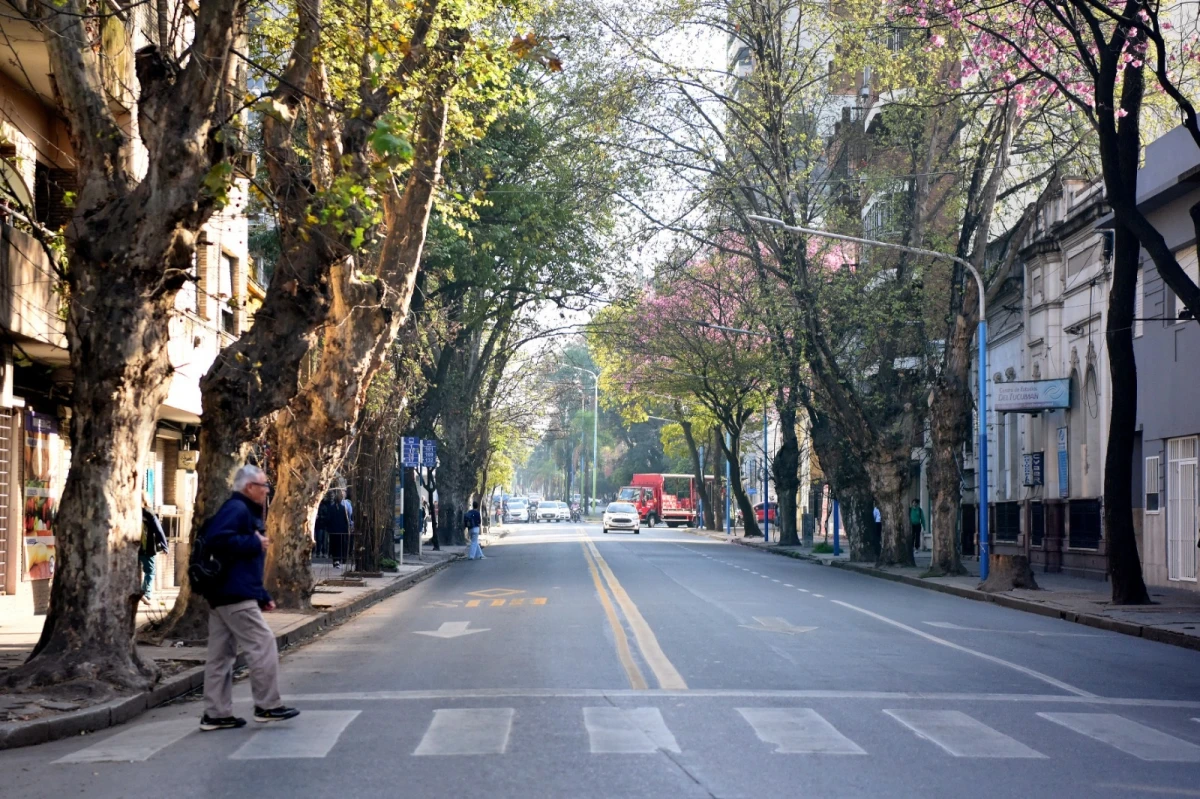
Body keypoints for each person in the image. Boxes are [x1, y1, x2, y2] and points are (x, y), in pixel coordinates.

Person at [199, 465, 299, 731]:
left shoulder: (240, 509)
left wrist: (262, 595)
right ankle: (267, 705)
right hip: (234, 595)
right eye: (263, 485)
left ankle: (215, 713)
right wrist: (255, 543)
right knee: (263, 644)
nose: (267, 490)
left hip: (224, 593)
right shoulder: (237, 509)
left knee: (220, 656)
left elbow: (244, 564)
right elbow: (216, 540)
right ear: (249, 487)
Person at [139, 498, 168, 606]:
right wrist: (164, 545)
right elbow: (158, 530)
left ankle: (141, 592)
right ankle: (146, 593)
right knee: (150, 572)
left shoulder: (131, 511)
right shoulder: (149, 513)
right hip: (146, 548)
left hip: (134, 547)